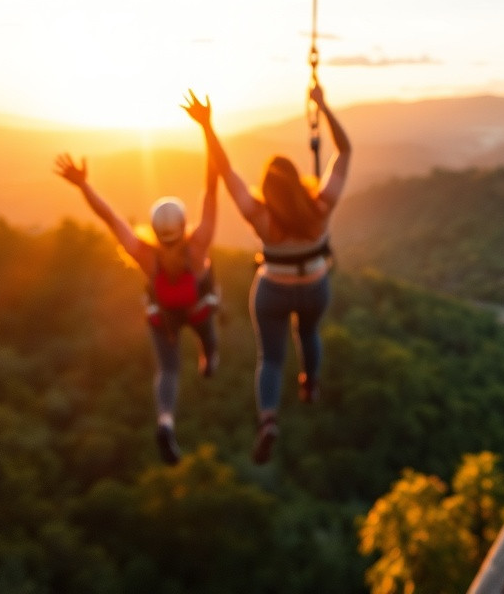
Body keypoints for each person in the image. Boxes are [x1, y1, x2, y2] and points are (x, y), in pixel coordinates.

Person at [184, 85, 350, 465]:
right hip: (314, 287)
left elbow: (225, 172)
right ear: (295, 180)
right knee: (308, 332)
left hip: (272, 290)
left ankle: (268, 419)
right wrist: (322, 106)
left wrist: (207, 127)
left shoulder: (260, 216)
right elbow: (344, 152)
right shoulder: (321, 207)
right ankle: (310, 384)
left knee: (271, 358)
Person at [53, 130, 220, 466]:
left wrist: (84, 185)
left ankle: (165, 421)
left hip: (163, 317)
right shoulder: (198, 247)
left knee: (168, 371)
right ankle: (208, 359)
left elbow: (110, 218)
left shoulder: (145, 254)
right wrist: (206, 129)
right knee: (208, 332)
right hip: (197, 310)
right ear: (184, 224)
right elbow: (211, 190)